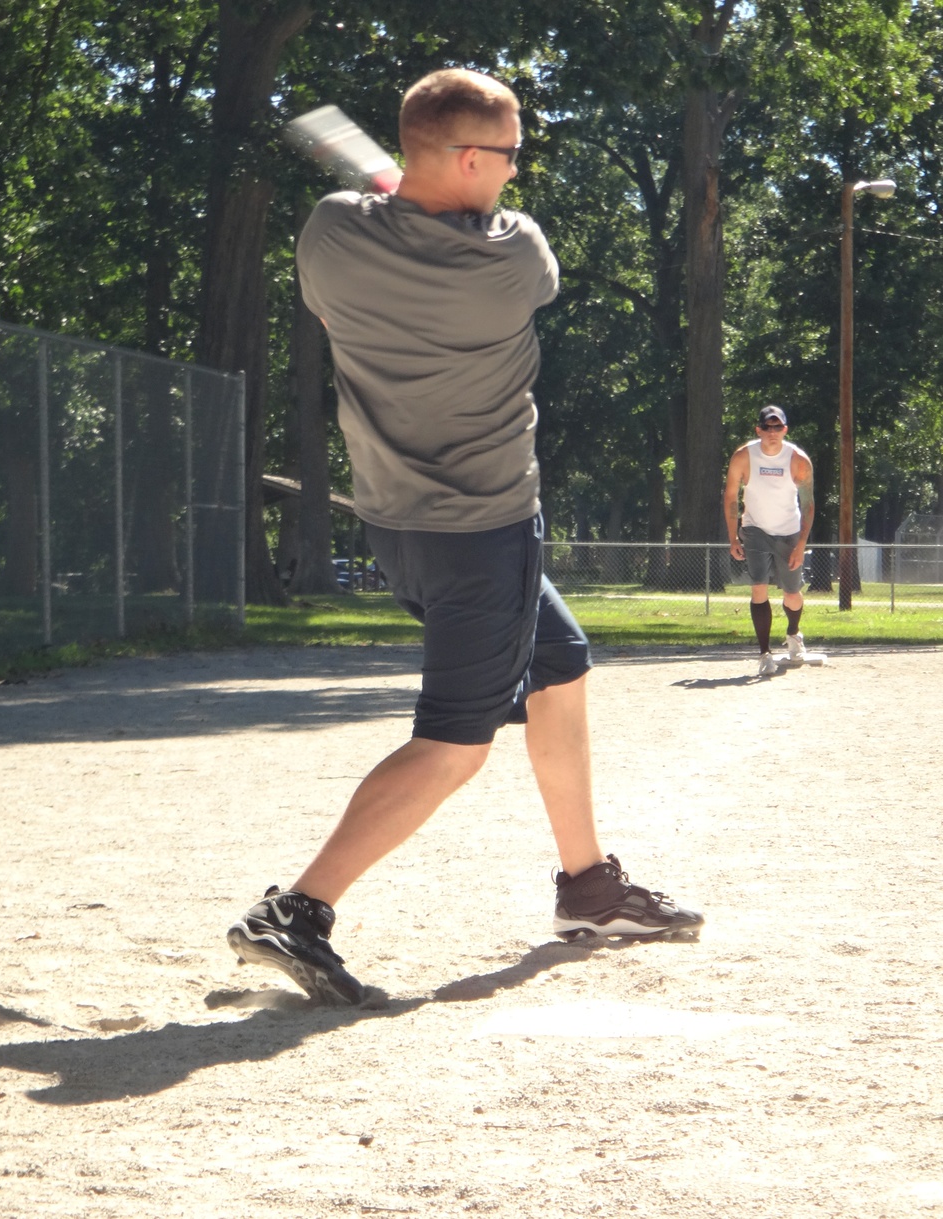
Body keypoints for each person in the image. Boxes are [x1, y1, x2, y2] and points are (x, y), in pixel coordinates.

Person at [227, 68, 703, 1005]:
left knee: (560, 667)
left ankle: (589, 887)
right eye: (512, 154)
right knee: (456, 742)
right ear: (472, 158)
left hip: (396, 520)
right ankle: (299, 908)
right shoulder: (514, 257)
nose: (518, 177)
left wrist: (398, 191)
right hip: (483, 530)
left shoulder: (328, 233)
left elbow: (372, 231)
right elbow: (483, 236)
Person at [723, 405, 816, 677]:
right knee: (758, 589)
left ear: (785, 429)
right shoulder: (743, 457)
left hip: (788, 532)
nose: (773, 433)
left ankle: (793, 633)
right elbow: (730, 497)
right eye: (768, 427)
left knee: (792, 594)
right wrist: (733, 537)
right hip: (755, 529)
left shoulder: (798, 460)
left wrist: (800, 545)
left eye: (778, 427)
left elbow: (808, 504)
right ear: (759, 430)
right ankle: (764, 654)